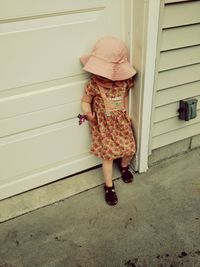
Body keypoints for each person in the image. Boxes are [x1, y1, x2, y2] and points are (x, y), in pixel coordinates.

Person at [80, 36, 136, 206]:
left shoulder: (124, 82)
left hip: (121, 123)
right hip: (103, 126)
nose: (102, 77)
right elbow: (85, 100)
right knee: (108, 157)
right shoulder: (93, 85)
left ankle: (125, 166)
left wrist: (127, 112)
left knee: (130, 149)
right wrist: (88, 112)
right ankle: (109, 186)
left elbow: (125, 96)